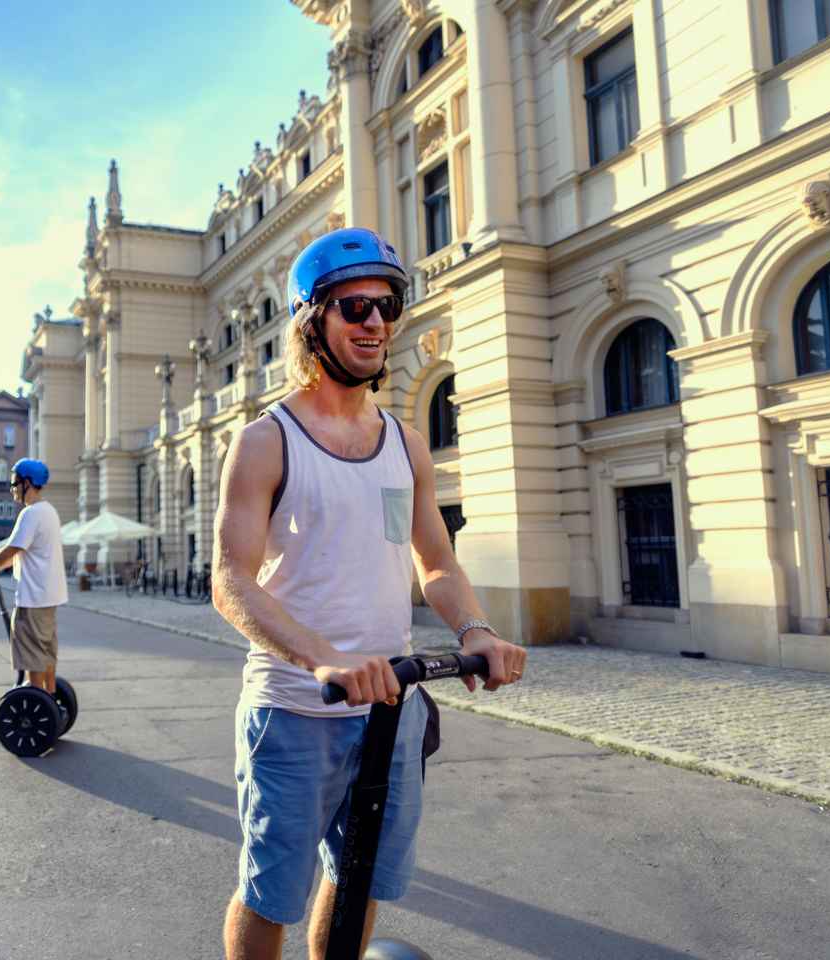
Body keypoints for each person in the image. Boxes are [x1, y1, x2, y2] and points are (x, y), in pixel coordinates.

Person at [212, 227, 529, 960]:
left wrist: (476, 630)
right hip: (296, 709)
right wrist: (322, 659)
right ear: (311, 320)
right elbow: (229, 580)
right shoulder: (267, 441)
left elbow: (435, 560)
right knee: (271, 895)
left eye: (388, 306)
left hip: (391, 706)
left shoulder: (404, 444)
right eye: (356, 307)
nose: (377, 323)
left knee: (359, 880)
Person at [0, 458, 68, 696]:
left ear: (27, 483)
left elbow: (13, 549)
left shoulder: (31, 513)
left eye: (14, 482)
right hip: (49, 595)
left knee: (33, 653)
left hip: (33, 597)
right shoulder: (49, 511)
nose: (12, 488)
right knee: (46, 649)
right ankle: (50, 696)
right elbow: (20, 551)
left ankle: (36, 699)